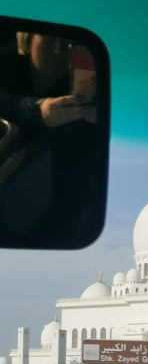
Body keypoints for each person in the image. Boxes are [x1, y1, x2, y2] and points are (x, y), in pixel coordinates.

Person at [0, 32, 97, 245]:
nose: (58, 50)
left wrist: (97, 119)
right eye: (49, 41)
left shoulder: (78, 91)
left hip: (53, 212)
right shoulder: (5, 65)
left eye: (67, 43)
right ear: (28, 40)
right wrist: (36, 111)